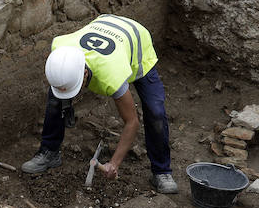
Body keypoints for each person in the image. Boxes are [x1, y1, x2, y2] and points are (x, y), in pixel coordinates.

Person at [21, 15, 178, 194]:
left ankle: (161, 171)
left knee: (155, 111)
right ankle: (49, 152)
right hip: (105, 24)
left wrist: (114, 163)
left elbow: (132, 121)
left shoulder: (111, 75)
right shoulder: (60, 50)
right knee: (56, 99)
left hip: (137, 38)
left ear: (85, 74)